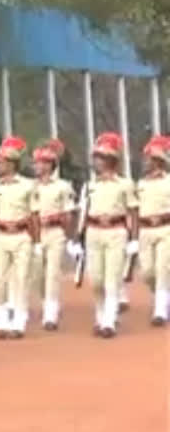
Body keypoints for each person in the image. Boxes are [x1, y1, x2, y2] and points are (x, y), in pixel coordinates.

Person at [74, 132, 139, 338]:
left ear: (111, 160)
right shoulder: (89, 186)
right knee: (97, 280)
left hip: (116, 232)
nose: (96, 161)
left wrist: (134, 239)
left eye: (100, 157)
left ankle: (108, 322)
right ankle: (100, 315)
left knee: (112, 278)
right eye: (96, 157)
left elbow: (133, 212)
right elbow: (83, 213)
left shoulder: (125, 184)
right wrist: (78, 238)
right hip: (93, 232)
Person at [0, 136, 40, 339]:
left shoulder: (28, 186)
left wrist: (36, 243)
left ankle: (19, 321)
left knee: (21, 279)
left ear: (11, 164)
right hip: (1, 236)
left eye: (0, 163)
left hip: (22, 235)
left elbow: (34, 215)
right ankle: (0, 321)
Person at [32, 140, 77, 330]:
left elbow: (68, 214)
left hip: (55, 231)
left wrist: (70, 238)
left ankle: (50, 313)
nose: (38, 166)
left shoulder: (62, 187)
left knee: (52, 272)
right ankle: (46, 302)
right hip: (35, 232)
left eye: (43, 163)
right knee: (37, 274)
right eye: (36, 162)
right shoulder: (29, 187)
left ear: (51, 165)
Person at [136, 135, 170, 326]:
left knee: (163, 268)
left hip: (166, 229)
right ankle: (163, 295)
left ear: (158, 161)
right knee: (148, 272)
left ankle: (160, 311)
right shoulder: (140, 184)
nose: (145, 162)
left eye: (148, 159)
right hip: (145, 230)